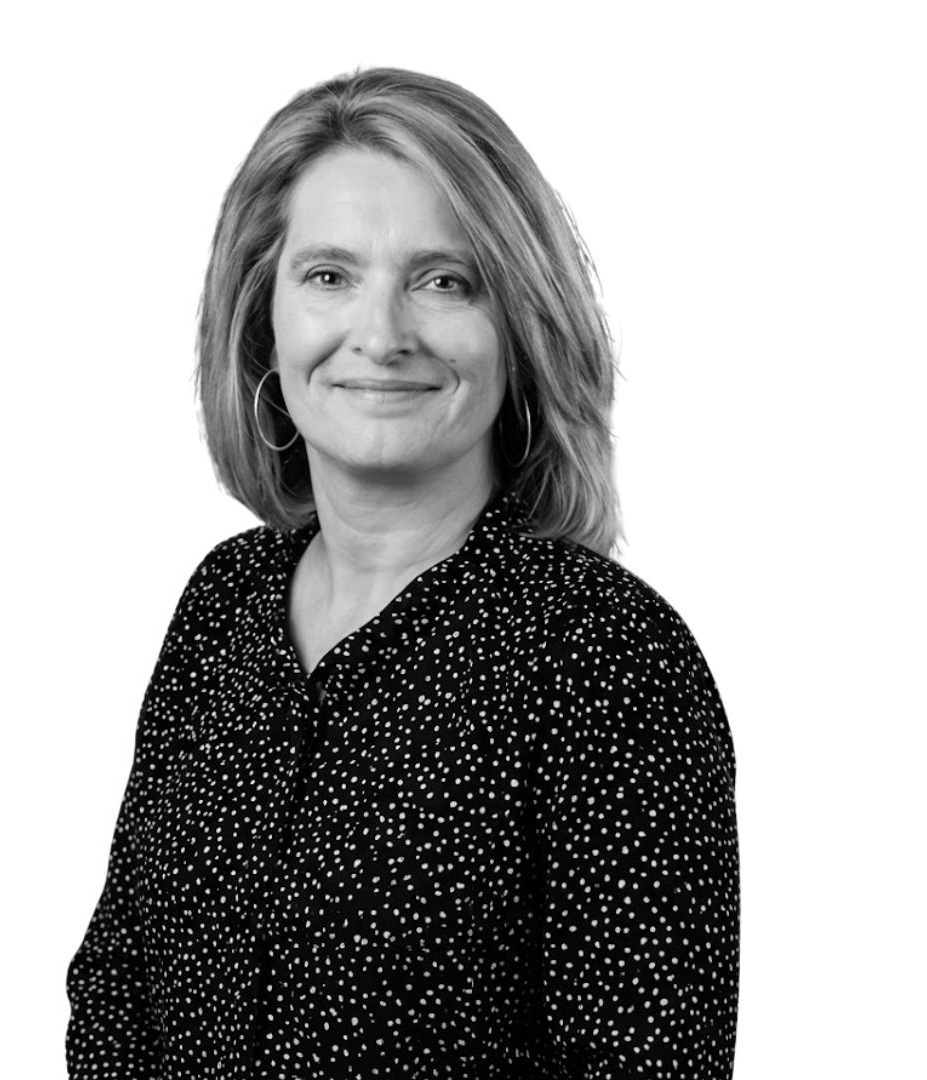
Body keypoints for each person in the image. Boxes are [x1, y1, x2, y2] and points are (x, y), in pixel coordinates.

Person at [66, 67, 739, 1079]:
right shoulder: (224, 606)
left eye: (444, 281)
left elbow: (643, 1063)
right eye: (329, 276)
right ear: (262, 319)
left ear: (520, 327)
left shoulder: (603, 655)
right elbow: (118, 985)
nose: (380, 337)